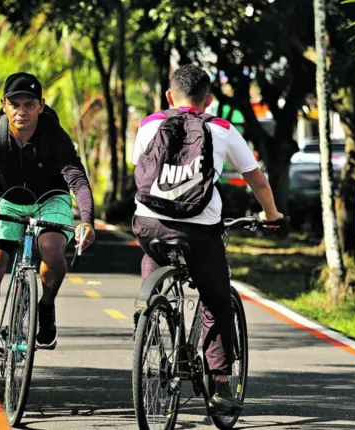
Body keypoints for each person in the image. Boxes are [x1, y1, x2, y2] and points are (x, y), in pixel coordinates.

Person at [131, 65, 285, 413]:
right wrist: (271, 215)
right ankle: (219, 384)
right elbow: (257, 181)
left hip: (149, 224)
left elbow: (140, 170)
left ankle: (151, 313)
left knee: (152, 256)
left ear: (170, 96)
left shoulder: (148, 124)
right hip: (199, 231)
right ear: (209, 99)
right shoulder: (222, 129)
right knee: (216, 300)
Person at [0, 72, 96, 373]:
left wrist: (87, 220)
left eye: (28, 104)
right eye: (14, 104)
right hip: (5, 198)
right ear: (3, 104)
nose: (21, 111)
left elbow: (76, 179)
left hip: (50, 198)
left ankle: (46, 305)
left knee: (51, 246)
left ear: (41, 105)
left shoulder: (55, 135)